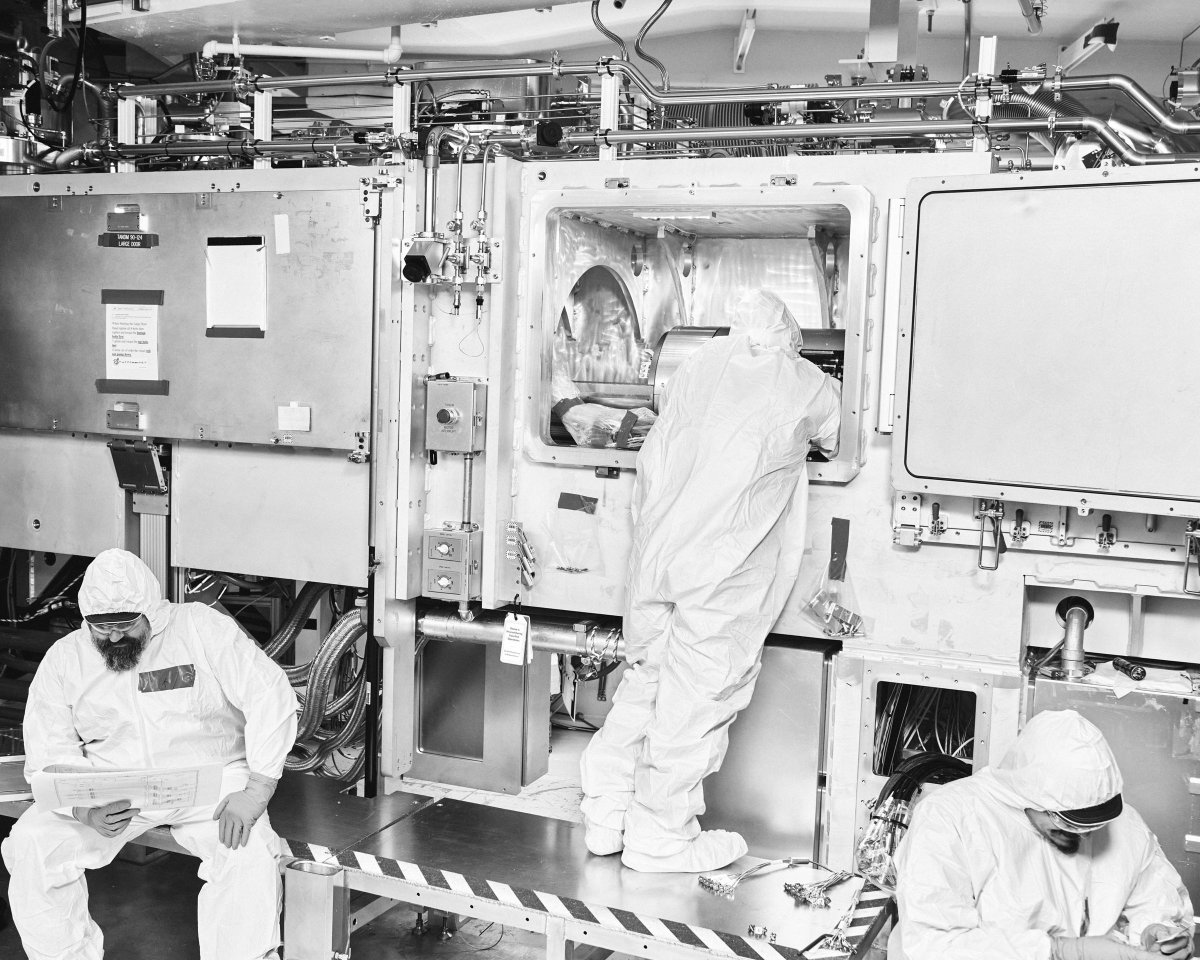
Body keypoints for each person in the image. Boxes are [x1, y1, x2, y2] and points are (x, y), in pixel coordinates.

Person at [578, 289, 841, 873]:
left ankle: (606, 813)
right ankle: (661, 835)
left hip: (657, 553)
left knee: (646, 679)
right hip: (720, 568)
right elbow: (836, 433)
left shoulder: (699, 364)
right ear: (790, 337)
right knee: (696, 693)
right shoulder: (803, 381)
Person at [2, 548, 298, 960]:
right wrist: (83, 809)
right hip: (112, 792)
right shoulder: (66, 659)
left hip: (210, 785)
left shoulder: (198, 628)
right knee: (33, 844)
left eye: (125, 624)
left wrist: (257, 789)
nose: (114, 637)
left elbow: (269, 694)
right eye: (101, 629)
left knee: (246, 853)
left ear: (151, 611)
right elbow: (49, 748)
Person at [892, 709, 1193, 960]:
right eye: (1068, 824)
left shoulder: (1124, 822)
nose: (1082, 837)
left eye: (1093, 826)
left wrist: (1155, 930)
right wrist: (1058, 951)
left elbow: (1156, 898)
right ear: (1027, 792)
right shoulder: (950, 818)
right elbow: (934, 943)